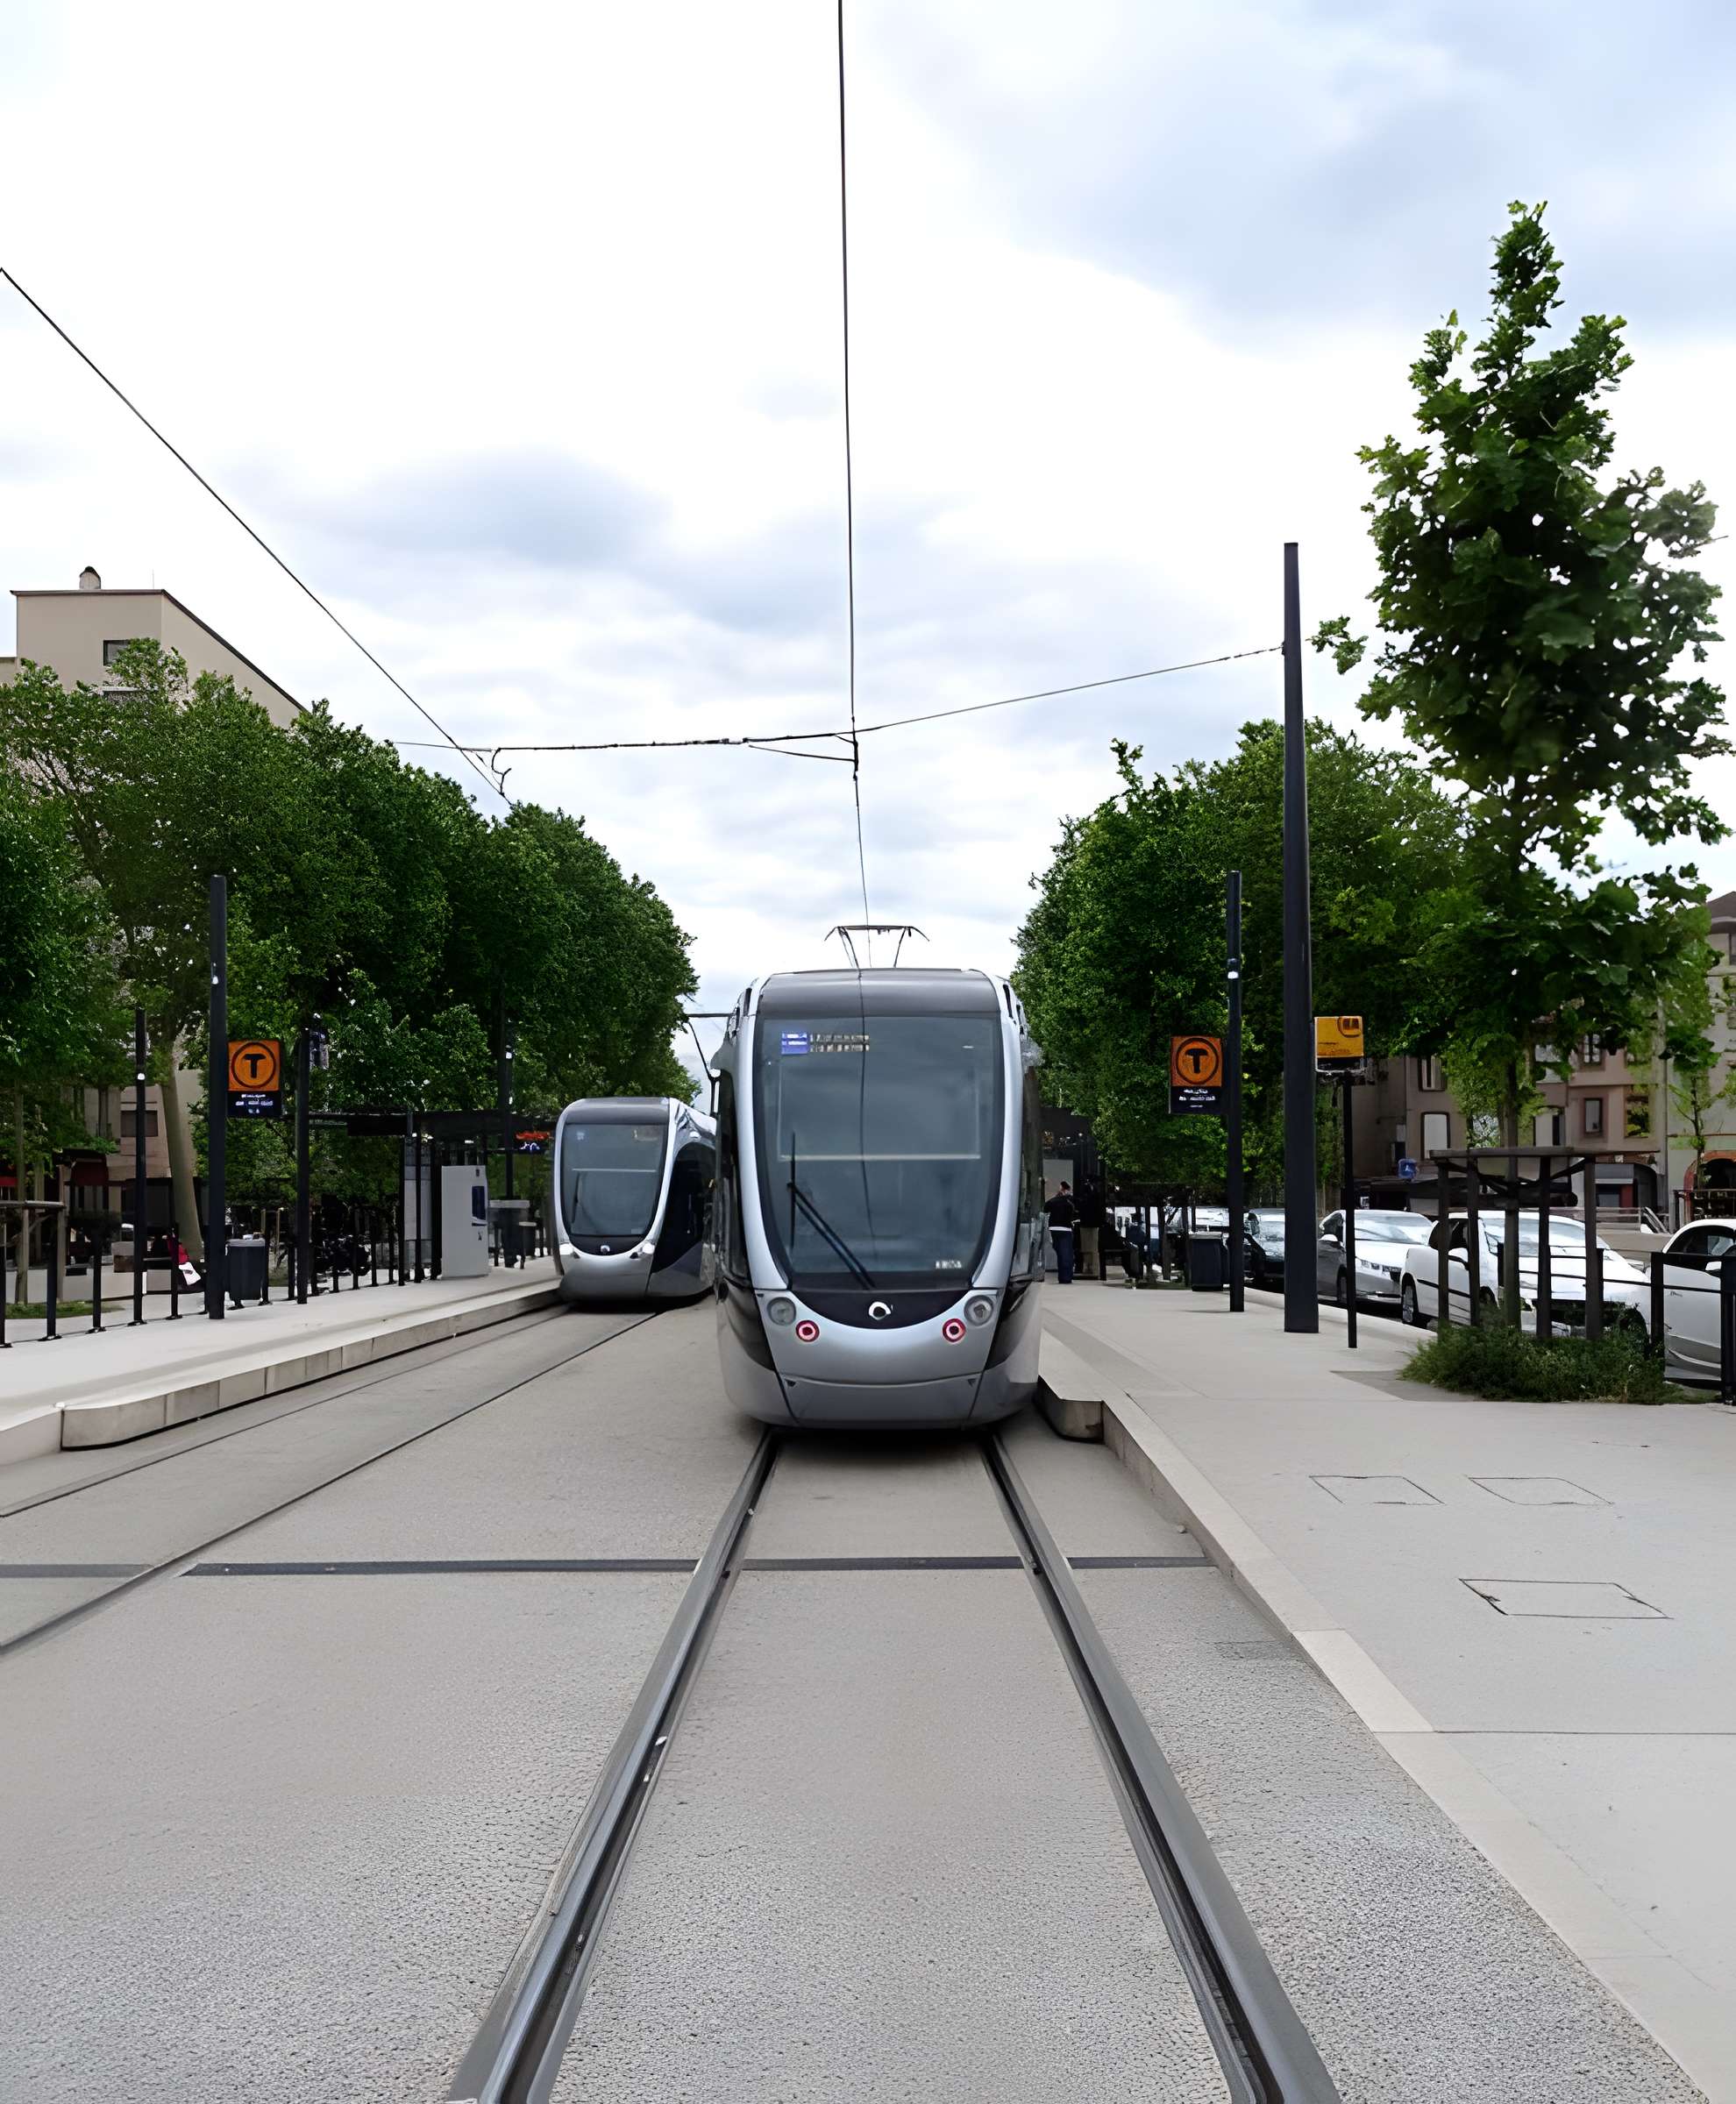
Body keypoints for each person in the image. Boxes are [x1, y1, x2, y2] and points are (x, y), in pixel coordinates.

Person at [1044, 1181, 1079, 1284]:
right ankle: (1066, 1278)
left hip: (1054, 1229)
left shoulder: (1053, 1201)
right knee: (1066, 1254)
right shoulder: (1070, 1202)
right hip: (1065, 1229)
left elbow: (1045, 1208)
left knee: (1060, 1253)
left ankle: (1062, 1276)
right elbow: (1075, 1213)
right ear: (1067, 1190)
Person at [1076, 1179, 1106, 1280]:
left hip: (1084, 1224)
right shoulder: (1096, 1198)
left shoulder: (1082, 1200)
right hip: (1094, 1225)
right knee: (1094, 1247)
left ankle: (1087, 1267)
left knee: (1086, 1247)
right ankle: (1094, 1268)